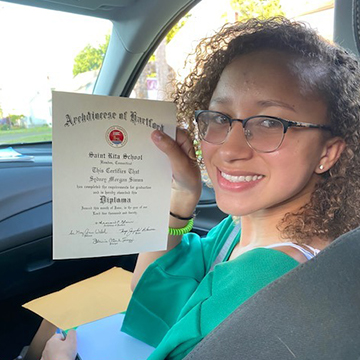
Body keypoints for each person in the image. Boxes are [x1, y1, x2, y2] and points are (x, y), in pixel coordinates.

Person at [36, 16, 360, 360]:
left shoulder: (268, 283)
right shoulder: (240, 229)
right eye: (220, 118)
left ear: (327, 153)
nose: (229, 150)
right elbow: (149, 286)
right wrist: (182, 197)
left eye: (270, 122)